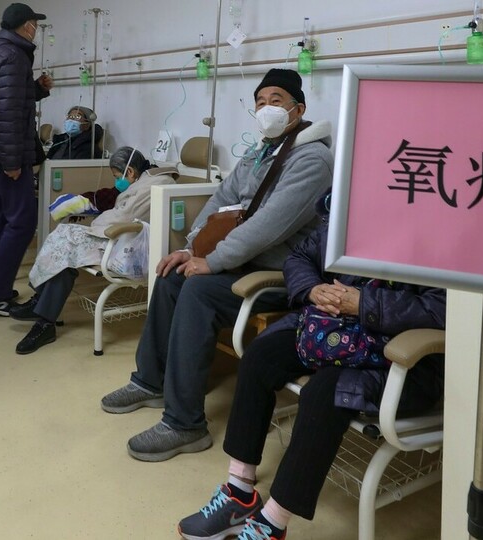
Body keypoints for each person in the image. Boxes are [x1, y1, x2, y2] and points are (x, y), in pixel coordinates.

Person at [176, 194, 446, 540]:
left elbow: (442, 308)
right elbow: (301, 256)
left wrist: (365, 303)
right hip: (340, 332)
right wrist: (313, 288)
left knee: (326, 391)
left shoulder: (438, 226)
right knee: (261, 356)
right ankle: (238, 493)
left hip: (404, 356)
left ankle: (273, 523)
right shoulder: (358, 210)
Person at [100, 68, 333, 462]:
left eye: (276, 101)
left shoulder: (313, 159)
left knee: (199, 291)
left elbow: (267, 226)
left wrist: (213, 261)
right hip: (243, 262)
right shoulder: (260, 153)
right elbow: (219, 201)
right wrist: (192, 249)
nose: (266, 109)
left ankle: (185, 424)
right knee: (172, 274)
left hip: (281, 274)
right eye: (260, 102)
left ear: (298, 109)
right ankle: (151, 381)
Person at [9, 147, 175, 354]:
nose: (117, 182)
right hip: (119, 238)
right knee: (61, 237)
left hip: (127, 246)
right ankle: (41, 306)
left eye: (117, 176)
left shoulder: (156, 184)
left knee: (65, 244)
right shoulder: (145, 180)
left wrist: (96, 223)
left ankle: (43, 319)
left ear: (130, 171)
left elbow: (123, 217)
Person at [0, 105, 103, 285]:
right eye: (69, 116)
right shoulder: (61, 141)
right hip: (37, 186)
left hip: (48, 195)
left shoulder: (88, 150)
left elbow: (66, 176)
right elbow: (43, 166)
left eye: (77, 117)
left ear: (87, 124)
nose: (71, 120)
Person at [0, 2, 52, 315]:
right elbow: (7, 113)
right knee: (21, 221)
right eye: (35, 25)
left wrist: (37, 90)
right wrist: (13, 161)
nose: (36, 30)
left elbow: (4, 99)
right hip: (4, 154)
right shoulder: (15, 56)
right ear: (27, 26)